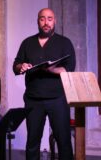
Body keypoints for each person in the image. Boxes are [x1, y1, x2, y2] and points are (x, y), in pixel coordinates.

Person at [13, 8, 76, 160]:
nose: (46, 22)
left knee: (64, 142)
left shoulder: (64, 42)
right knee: (32, 142)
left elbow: (69, 68)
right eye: (42, 19)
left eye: (49, 19)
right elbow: (16, 65)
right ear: (38, 21)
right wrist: (21, 67)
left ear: (54, 21)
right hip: (33, 99)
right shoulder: (27, 43)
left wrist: (51, 69)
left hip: (58, 99)